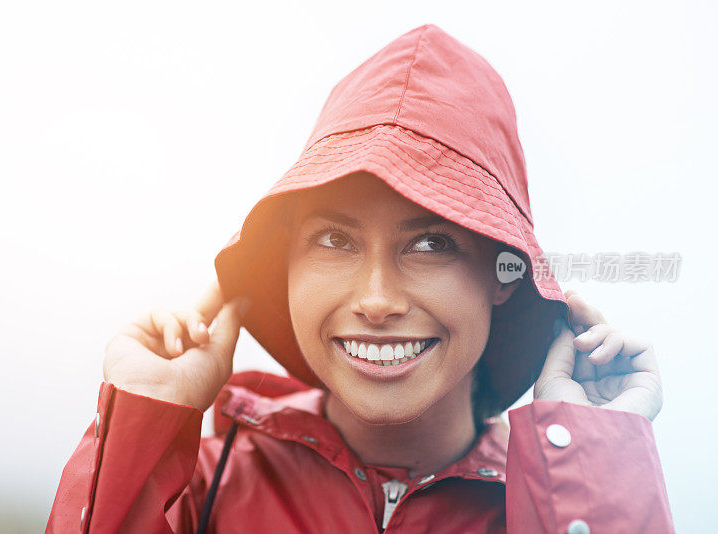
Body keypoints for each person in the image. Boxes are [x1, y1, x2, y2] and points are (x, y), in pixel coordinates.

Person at [46, 24, 674, 533]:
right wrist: (140, 426)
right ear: (286, 263)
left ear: (503, 273)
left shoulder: (554, 509)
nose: (376, 300)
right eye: (334, 240)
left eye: (432, 242)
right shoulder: (197, 493)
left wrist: (597, 470)